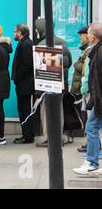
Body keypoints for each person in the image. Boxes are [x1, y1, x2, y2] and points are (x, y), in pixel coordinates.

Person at [35, 18, 73, 147]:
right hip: (61, 84)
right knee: (59, 110)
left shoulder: (41, 45)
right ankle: (58, 137)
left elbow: (40, 68)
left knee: (46, 112)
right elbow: (68, 62)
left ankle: (49, 138)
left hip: (48, 84)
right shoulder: (63, 42)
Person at [73, 23, 102, 176]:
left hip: (99, 100)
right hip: (98, 99)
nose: (86, 36)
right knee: (93, 128)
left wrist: (96, 101)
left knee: (91, 128)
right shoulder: (96, 51)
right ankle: (93, 161)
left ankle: (92, 162)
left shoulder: (98, 52)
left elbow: (97, 80)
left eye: (88, 34)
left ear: (92, 36)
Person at [11, 24, 35, 144]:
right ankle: (26, 134)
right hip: (23, 82)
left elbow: (27, 64)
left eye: (15, 31)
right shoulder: (25, 43)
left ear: (20, 32)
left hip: (24, 83)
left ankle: (28, 135)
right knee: (24, 108)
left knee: (24, 109)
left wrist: (17, 77)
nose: (14, 33)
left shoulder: (26, 44)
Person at [70, 26, 91, 153]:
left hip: (84, 88)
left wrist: (76, 63)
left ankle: (91, 144)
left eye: (81, 35)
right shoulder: (86, 50)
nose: (80, 38)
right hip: (81, 87)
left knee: (88, 119)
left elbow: (83, 67)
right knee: (86, 118)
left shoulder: (89, 50)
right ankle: (90, 143)